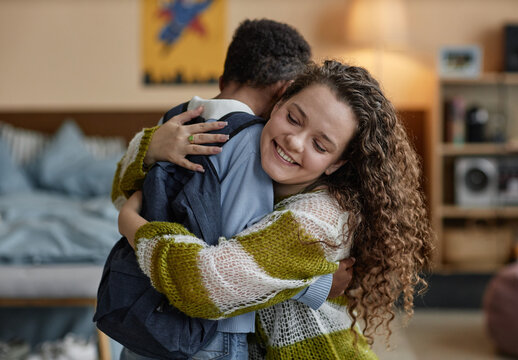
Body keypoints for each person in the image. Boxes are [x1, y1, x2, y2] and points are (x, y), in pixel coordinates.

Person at [119, 60, 434, 359]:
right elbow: (118, 187)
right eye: (294, 119)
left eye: (320, 146)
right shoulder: (244, 160)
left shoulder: (319, 220)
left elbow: (205, 283)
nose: (295, 141)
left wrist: (132, 224)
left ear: (336, 163)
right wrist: (151, 147)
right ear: (279, 103)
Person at [109, 19, 352, 360]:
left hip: (149, 310)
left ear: (223, 80)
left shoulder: (176, 120)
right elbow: (243, 252)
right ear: (284, 92)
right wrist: (315, 283)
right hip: (216, 329)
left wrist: (147, 149)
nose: (294, 140)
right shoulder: (250, 140)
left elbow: (120, 187)